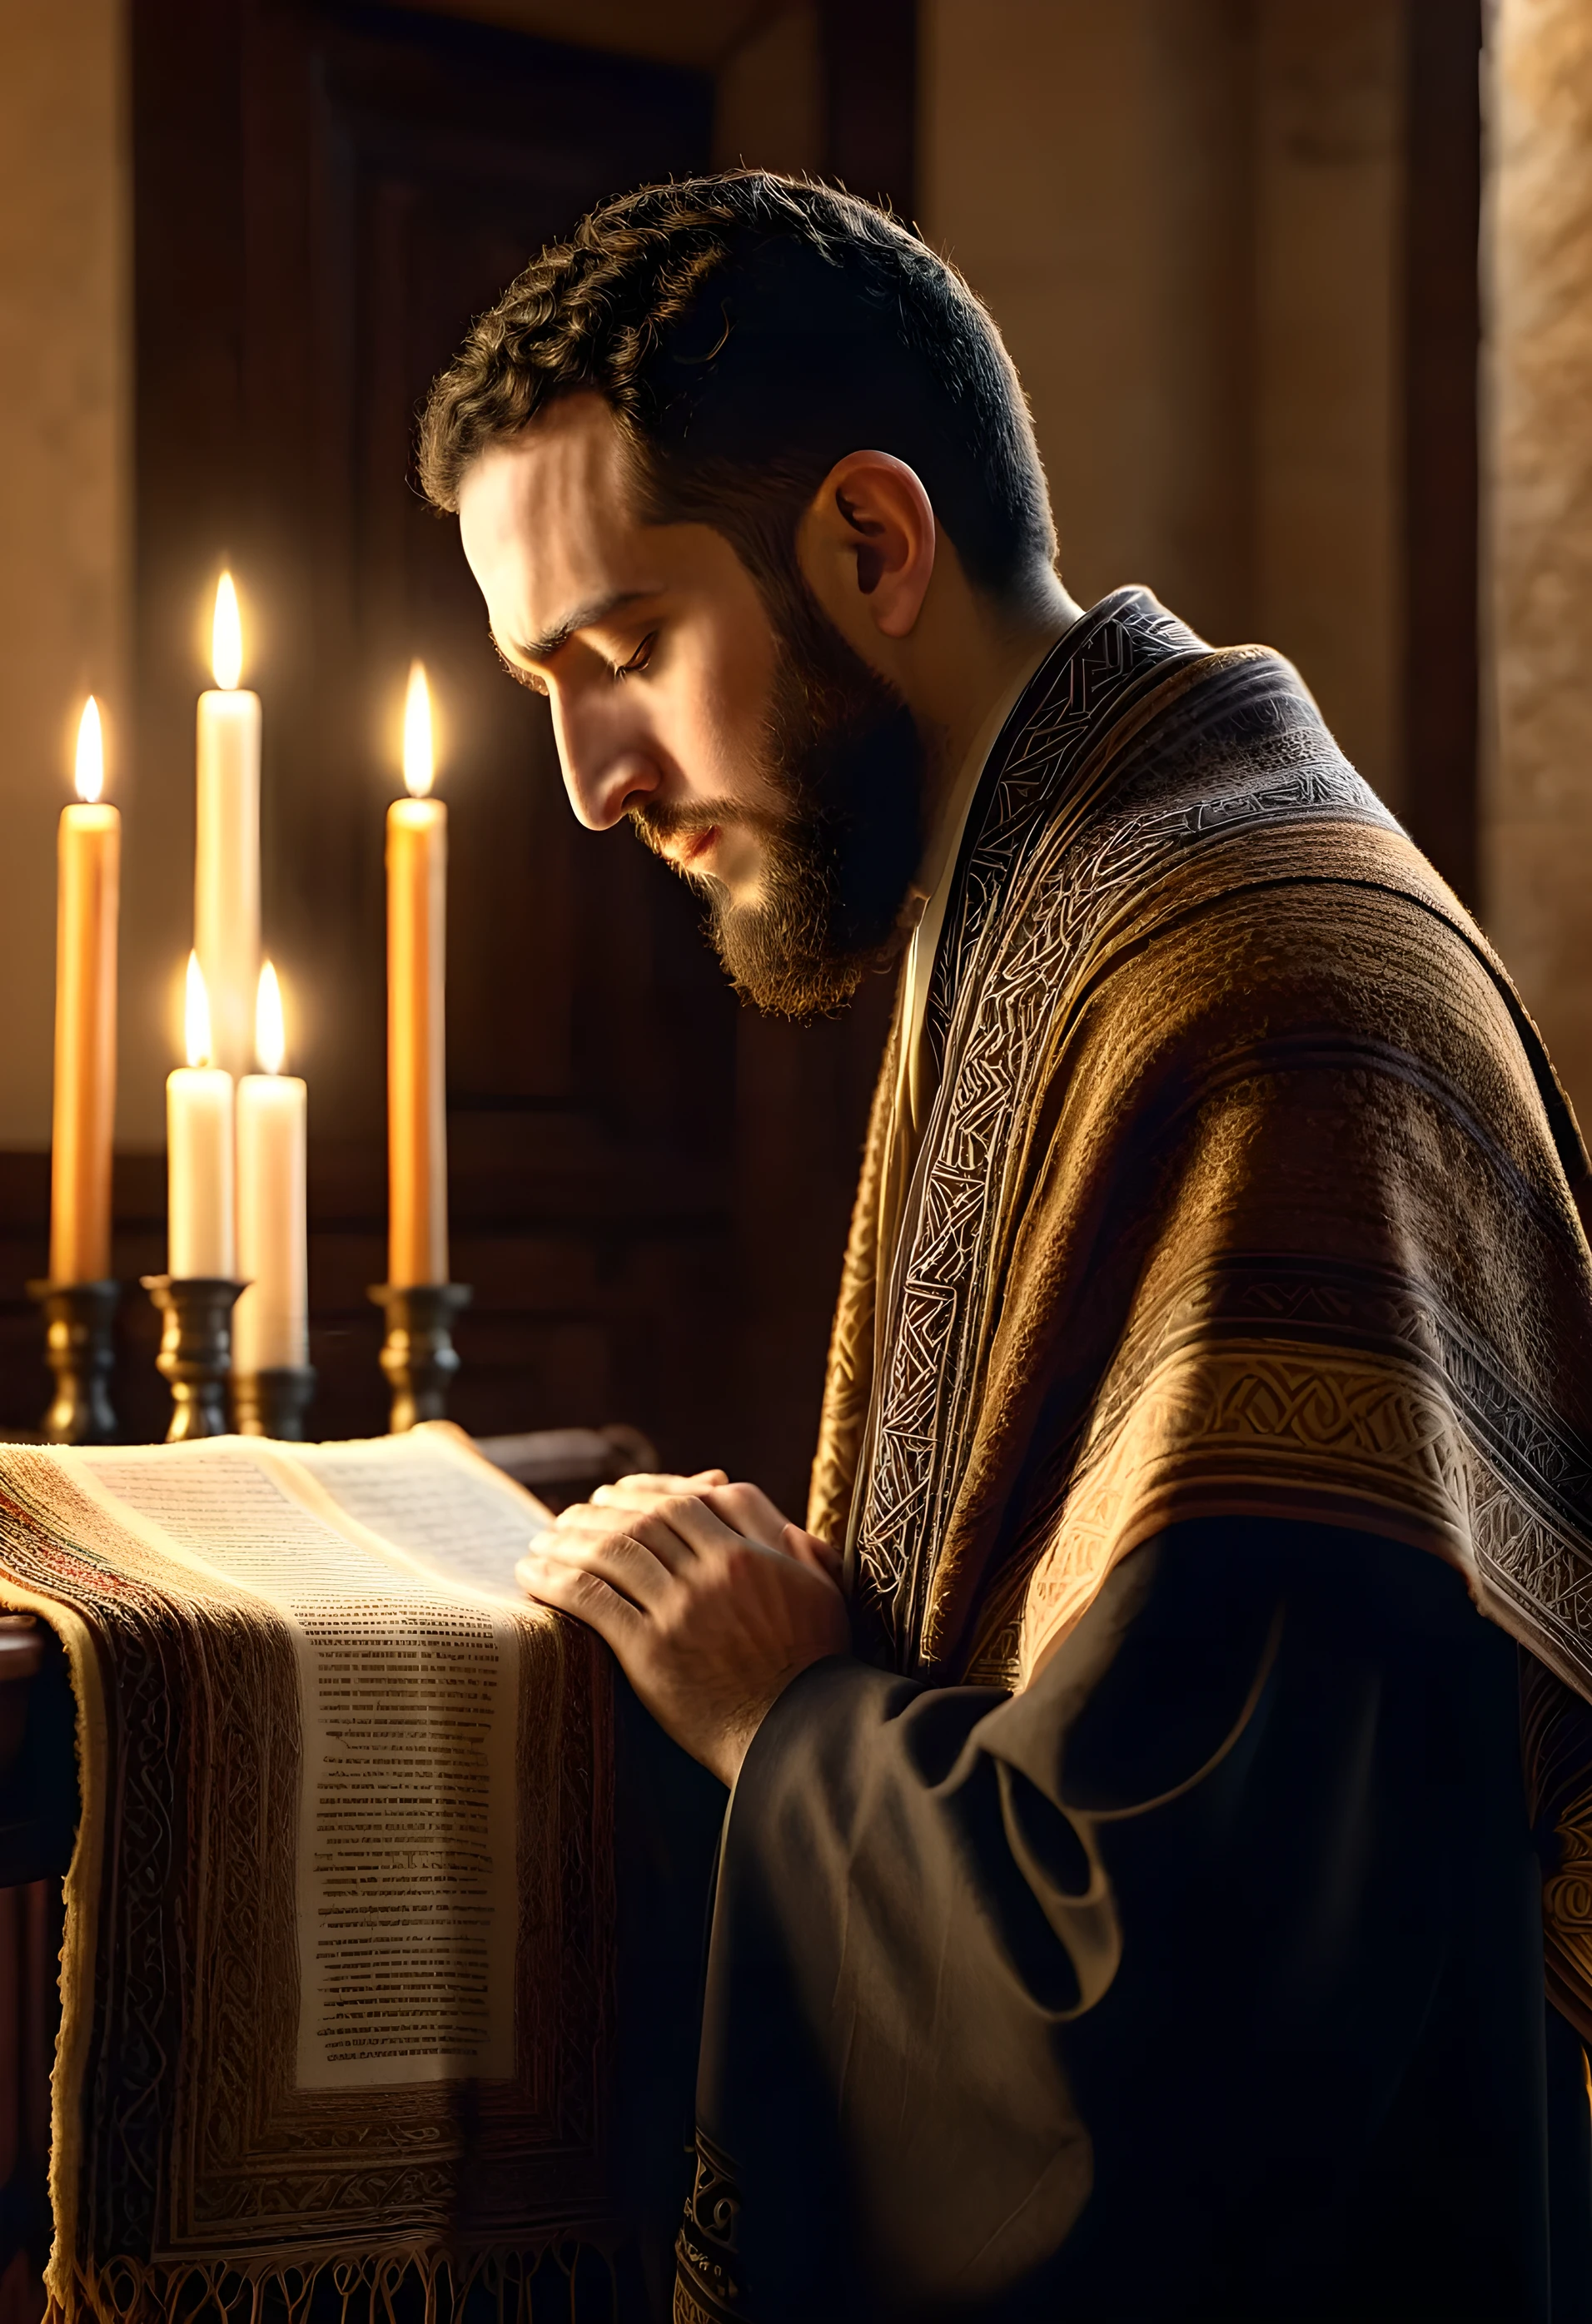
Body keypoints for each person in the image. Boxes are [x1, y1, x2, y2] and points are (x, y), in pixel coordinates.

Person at [419, 172, 1592, 2322]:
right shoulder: (1067, 881)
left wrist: (788, 1724)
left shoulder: (1261, 995)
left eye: (621, 653)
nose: (589, 780)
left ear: (873, 544)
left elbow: (1202, 1993)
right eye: (545, 682)